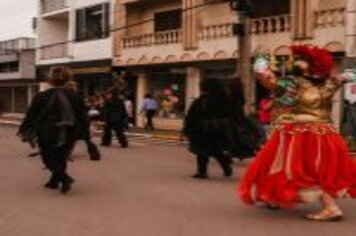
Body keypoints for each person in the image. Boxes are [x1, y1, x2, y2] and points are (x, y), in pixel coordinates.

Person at [239, 45, 356, 221]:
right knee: (309, 170)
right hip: (324, 132)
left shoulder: (293, 83)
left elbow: (264, 75)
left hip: (299, 134)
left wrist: (261, 57)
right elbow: (351, 75)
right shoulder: (330, 82)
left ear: (310, 65)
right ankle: (273, 197)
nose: (296, 61)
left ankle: (330, 207)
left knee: (301, 170)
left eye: (301, 59)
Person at [18, 66, 88, 194]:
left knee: (47, 157)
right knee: (61, 156)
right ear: (68, 78)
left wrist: (24, 129)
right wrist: (85, 135)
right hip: (70, 131)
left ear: (50, 79)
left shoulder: (41, 96)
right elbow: (83, 117)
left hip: (47, 131)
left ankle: (64, 178)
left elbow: (31, 115)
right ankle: (54, 182)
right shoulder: (76, 96)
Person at [183, 79, 238, 179]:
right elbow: (233, 115)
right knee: (217, 151)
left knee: (202, 151)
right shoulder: (226, 100)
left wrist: (187, 129)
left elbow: (191, 116)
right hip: (220, 130)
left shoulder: (201, 101)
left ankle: (202, 172)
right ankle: (226, 166)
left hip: (203, 129)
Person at [65, 80, 101, 161]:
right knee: (87, 139)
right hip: (80, 120)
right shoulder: (78, 96)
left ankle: (66, 154)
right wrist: (86, 120)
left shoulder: (64, 97)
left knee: (70, 138)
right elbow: (82, 109)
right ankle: (94, 154)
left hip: (68, 119)